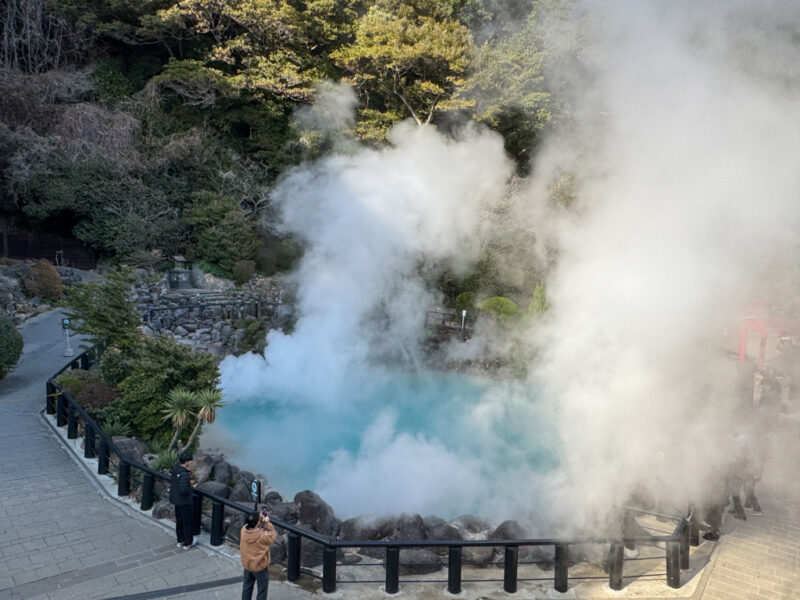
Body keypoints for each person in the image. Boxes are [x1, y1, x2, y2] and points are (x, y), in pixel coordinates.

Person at [240, 510, 277, 600]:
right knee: (262, 591)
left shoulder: (244, 530)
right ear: (257, 523)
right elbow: (272, 535)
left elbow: (253, 526)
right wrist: (267, 522)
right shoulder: (262, 536)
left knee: (247, 588)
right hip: (260, 568)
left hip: (247, 565)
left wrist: (259, 519)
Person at [169, 451, 196, 550]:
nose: (192, 463)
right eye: (191, 461)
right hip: (184, 501)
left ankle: (180, 540)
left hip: (176, 500)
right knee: (187, 522)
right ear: (187, 462)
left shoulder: (176, 469)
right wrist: (191, 488)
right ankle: (188, 543)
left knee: (179, 521)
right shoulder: (184, 474)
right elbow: (183, 489)